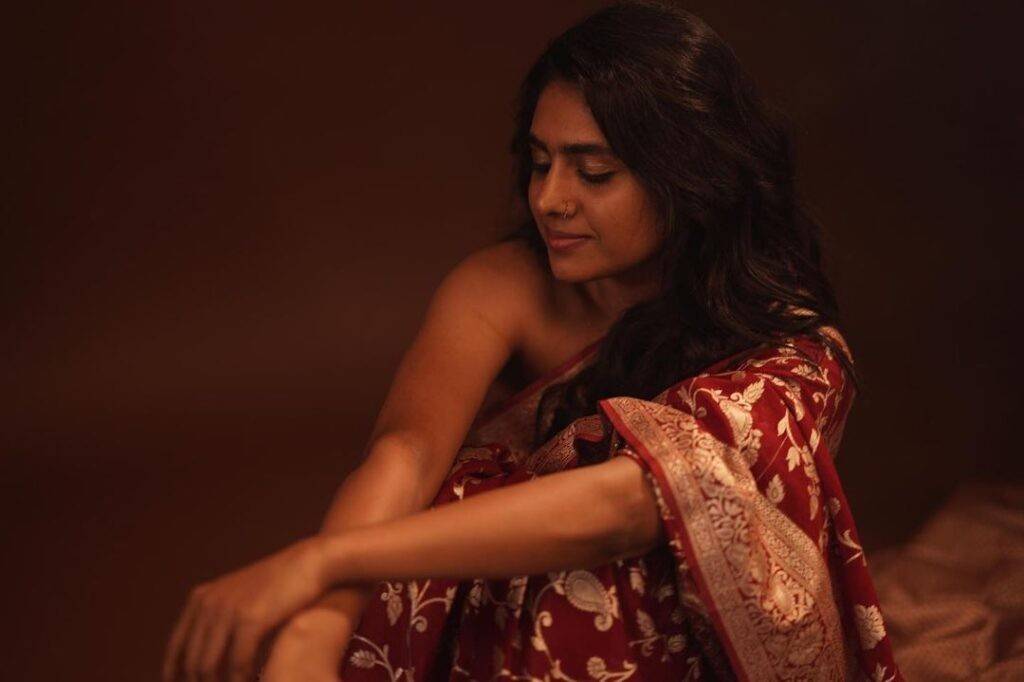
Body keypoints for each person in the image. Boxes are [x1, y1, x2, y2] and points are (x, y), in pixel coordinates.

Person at [163, 1, 903, 680]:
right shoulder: (506, 286)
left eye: (593, 173)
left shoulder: (790, 348)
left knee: (625, 556)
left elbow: (631, 504)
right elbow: (407, 452)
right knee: (451, 494)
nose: (550, 199)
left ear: (691, 178)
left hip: (679, 649)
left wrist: (323, 561)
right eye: (541, 163)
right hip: (496, 641)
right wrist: (320, 624)